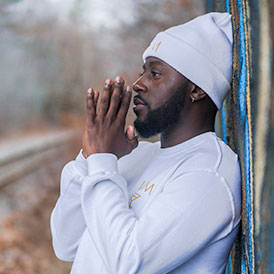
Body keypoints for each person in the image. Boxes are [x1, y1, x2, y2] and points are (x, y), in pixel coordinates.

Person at [50, 12, 241, 274]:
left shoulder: (210, 173)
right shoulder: (135, 156)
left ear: (196, 89)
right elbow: (65, 243)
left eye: (155, 74)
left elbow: (129, 263)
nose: (138, 84)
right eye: (143, 72)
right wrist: (89, 156)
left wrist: (102, 162)